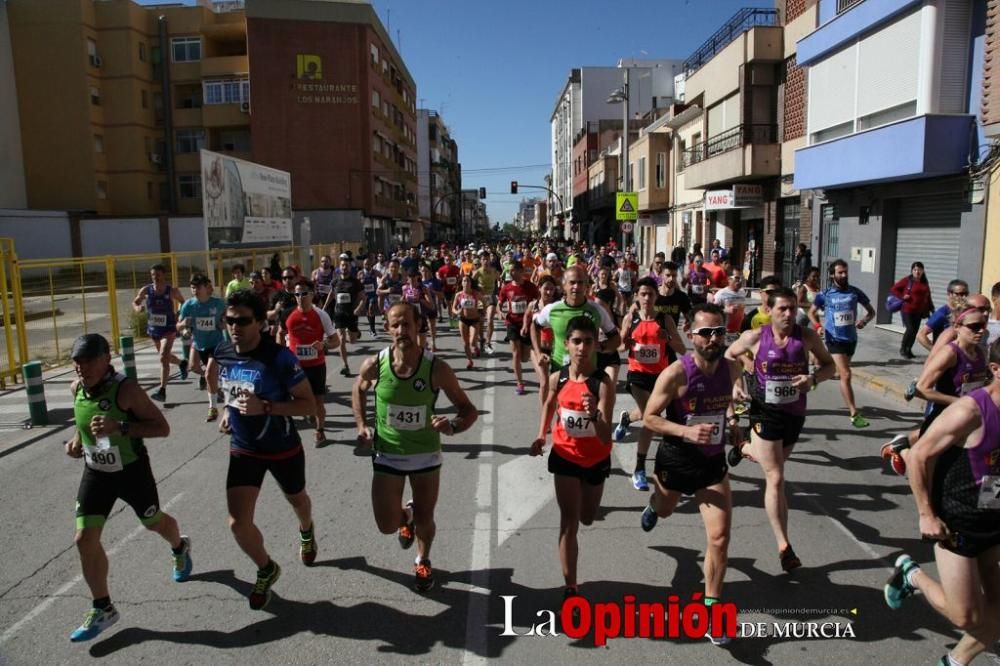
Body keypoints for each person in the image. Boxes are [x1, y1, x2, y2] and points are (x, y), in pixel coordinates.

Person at [65, 333, 192, 641]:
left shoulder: (127, 390)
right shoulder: (76, 388)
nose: (83, 368)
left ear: (107, 359)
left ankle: (180, 547)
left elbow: (162, 428)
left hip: (131, 471)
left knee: (154, 523)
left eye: (90, 360)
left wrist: (120, 426)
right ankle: (103, 607)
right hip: (96, 473)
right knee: (84, 539)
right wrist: (77, 441)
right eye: (78, 362)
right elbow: (84, 422)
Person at [884, 338, 1000, 666]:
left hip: (994, 516)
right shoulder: (970, 410)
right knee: (966, 617)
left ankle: (954, 662)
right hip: (958, 521)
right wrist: (926, 515)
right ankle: (912, 575)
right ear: (996, 370)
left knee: (996, 612)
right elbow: (919, 456)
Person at [352, 303, 478, 591]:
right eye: (395, 325)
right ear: (387, 328)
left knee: (426, 517)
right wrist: (361, 425)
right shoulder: (375, 365)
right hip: (388, 454)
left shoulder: (436, 368)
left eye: (406, 324)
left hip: (425, 456)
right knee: (386, 524)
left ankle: (423, 558)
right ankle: (404, 516)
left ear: (417, 325)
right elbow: (357, 389)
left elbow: (468, 409)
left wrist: (453, 426)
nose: (401, 331)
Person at [638, 304, 738, 643]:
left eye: (719, 331)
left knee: (720, 538)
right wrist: (685, 432)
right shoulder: (675, 373)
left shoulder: (732, 369)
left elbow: (729, 403)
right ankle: (654, 505)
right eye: (706, 332)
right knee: (665, 510)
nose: (713, 338)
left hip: (712, 463)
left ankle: (712, 609)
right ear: (691, 334)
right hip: (677, 458)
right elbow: (650, 417)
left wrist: (735, 424)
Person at [215, 289, 318, 610]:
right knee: (237, 521)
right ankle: (266, 567)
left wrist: (267, 407)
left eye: (243, 321)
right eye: (229, 320)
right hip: (244, 448)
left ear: (260, 323)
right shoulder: (224, 352)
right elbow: (231, 391)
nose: (235, 327)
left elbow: (308, 404)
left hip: (282, 447)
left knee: (297, 500)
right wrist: (226, 411)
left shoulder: (279, 358)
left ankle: (306, 529)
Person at [726, 288, 836, 570]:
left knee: (774, 463)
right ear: (770, 310)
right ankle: (784, 546)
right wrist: (738, 382)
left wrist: (812, 379)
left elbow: (829, 366)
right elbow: (729, 356)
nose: (789, 314)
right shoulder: (755, 337)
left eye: (792, 308)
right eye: (782, 309)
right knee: (775, 476)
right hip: (765, 411)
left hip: (794, 414)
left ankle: (743, 447)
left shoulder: (807, 337)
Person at [530, 316, 616, 605]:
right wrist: (541, 435)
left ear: (595, 345)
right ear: (566, 344)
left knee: (587, 517)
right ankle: (571, 587)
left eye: (588, 341)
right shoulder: (559, 377)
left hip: (596, 458)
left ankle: (572, 580)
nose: (582, 347)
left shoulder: (602, 383)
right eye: (576, 341)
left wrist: (594, 415)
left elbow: (605, 436)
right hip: (565, 456)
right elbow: (549, 403)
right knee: (569, 522)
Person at [614, 278, 684, 490]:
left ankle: (626, 418)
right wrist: (624, 343)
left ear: (656, 296)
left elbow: (681, 348)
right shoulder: (630, 318)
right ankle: (640, 469)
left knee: (648, 414)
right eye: (642, 294)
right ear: (636, 295)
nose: (646, 298)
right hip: (637, 375)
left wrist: (668, 337)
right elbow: (619, 347)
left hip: (660, 376)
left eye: (650, 294)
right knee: (650, 419)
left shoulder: (665, 319)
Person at [808, 259, 876, 428]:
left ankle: (814, 378)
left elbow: (871, 312)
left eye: (845, 272)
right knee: (846, 374)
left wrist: (864, 322)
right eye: (840, 272)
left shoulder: (855, 292)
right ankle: (854, 413)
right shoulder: (825, 294)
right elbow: (811, 312)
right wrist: (818, 326)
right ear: (832, 275)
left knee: (840, 374)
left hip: (851, 339)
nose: (844, 275)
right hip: (834, 338)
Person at [531, 266, 621, 374]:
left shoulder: (597, 310)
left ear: (586, 286)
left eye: (580, 283)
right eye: (572, 282)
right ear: (564, 286)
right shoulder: (552, 310)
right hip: (559, 370)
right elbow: (534, 326)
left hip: (588, 373)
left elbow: (616, 339)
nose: (576, 287)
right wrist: (538, 353)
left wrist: (601, 347)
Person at [285, 280, 339, 446]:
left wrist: (324, 345)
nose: (300, 298)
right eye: (297, 294)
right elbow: (284, 335)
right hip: (296, 367)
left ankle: (320, 431)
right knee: (294, 400)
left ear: (312, 294)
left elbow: (336, 341)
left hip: (316, 366)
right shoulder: (289, 316)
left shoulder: (321, 315)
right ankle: (308, 411)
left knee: (318, 402)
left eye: (304, 294)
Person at [131, 264, 186, 401]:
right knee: (165, 357)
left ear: (163, 275)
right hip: (154, 329)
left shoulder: (171, 290)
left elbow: (182, 302)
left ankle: (162, 391)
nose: (155, 277)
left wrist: (179, 312)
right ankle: (181, 363)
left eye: (158, 275)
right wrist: (138, 308)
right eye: (153, 275)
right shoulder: (146, 290)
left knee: (163, 357)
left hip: (168, 328)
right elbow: (135, 302)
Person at [177, 274, 225, 421]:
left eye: (198, 287)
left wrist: (223, 323)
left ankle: (213, 408)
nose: (194, 290)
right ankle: (215, 386)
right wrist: (184, 327)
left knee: (210, 373)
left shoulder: (218, 304)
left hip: (215, 343)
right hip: (198, 344)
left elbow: (227, 319)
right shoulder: (188, 306)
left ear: (206, 287)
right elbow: (178, 326)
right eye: (192, 287)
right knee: (193, 367)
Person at [498, 261, 539, 395]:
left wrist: (535, 308)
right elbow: (500, 303)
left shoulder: (530, 287)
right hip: (512, 323)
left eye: (513, 270)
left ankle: (522, 364)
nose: (510, 273)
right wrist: (500, 312)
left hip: (526, 322)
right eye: (509, 270)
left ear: (521, 271)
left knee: (525, 357)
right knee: (515, 353)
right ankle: (520, 383)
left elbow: (538, 299)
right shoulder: (506, 288)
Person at [325, 257, 364, 376]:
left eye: (346, 265)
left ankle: (355, 332)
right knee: (341, 339)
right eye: (342, 265)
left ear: (350, 267)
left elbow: (363, 298)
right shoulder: (335, 281)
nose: (344, 267)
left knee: (352, 340)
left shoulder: (355, 282)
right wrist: (325, 307)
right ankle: (345, 366)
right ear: (339, 267)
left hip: (351, 314)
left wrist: (358, 308)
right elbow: (331, 294)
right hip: (339, 314)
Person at [525, 276, 559, 405]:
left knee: (556, 383)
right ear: (539, 288)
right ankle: (545, 416)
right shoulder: (533, 305)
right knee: (544, 382)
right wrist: (524, 326)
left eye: (551, 289)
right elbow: (527, 316)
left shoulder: (558, 307)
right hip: (537, 349)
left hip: (555, 349)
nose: (549, 292)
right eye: (546, 289)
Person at [891, 262, 933, 359]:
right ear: (912, 270)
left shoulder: (924, 283)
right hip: (907, 309)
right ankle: (903, 348)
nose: (917, 272)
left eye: (919, 270)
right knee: (910, 329)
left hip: (918, 311)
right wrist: (902, 297)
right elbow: (894, 289)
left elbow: (928, 296)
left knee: (914, 331)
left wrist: (931, 308)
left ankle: (909, 350)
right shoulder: (907, 280)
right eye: (915, 270)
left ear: (923, 271)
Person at [452, 275, 486, 369]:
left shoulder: (476, 294)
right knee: (465, 343)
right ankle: (470, 360)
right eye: (464, 281)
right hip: (463, 320)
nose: (466, 282)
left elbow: (484, 302)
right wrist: (457, 311)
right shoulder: (458, 295)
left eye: (468, 281)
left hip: (474, 320)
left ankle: (476, 347)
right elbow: (453, 308)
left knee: (472, 342)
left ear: (471, 283)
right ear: (462, 283)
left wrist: (483, 313)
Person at [473, 252, 501, 354]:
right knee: (480, 322)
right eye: (483, 259)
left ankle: (488, 342)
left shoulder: (494, 271)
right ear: (480, 261)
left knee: (489, 320)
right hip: (480, 299)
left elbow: (499, 279)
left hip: (491, 297)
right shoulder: (478, 272)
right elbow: (471, 284)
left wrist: (498, 292)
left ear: (490, 260)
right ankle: (481, 340)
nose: (485, 261)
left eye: (487, 259)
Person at [712, 269, 747, 343]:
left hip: (739, 331)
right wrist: (725, 310)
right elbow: (712, 311)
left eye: (741, 278)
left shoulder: (742, 292)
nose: (740, 281)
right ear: (729, 279)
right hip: (725, 332)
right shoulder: (721, 293)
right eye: (737, 278)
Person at [268, 267, 298, 346]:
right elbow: (268, 315)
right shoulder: (277, 295)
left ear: (296, 278)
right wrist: (276, 311)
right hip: (283, 332)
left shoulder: (302, 293)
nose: (287, 280)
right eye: (285, 278)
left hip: (300, 330)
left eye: (290, 277)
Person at [420, 263, 444, 352]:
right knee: (421, 327)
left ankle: (433, 343)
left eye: (426, 271)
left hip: (432, 306)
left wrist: (432, 291)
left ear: (430, 272)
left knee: (432, 326)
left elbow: (441, 295)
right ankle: (424, 342)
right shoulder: (418, 282)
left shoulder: (435, 281)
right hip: (421, 308)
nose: (424, 273)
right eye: (423, 271)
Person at [436, 254, 461, 328]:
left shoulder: (456, 268)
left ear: (452, 261)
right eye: (447, 260)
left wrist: (457, 283)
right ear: (444, 261)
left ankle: (454, 322)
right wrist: (442, 280)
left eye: (450, 260)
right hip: (445, 289)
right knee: (449, 305)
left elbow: (459, 277)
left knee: (454, 304)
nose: (449, 261)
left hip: (454, 289)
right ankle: (451, 319)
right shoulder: (441, 269)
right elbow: (439, 279)